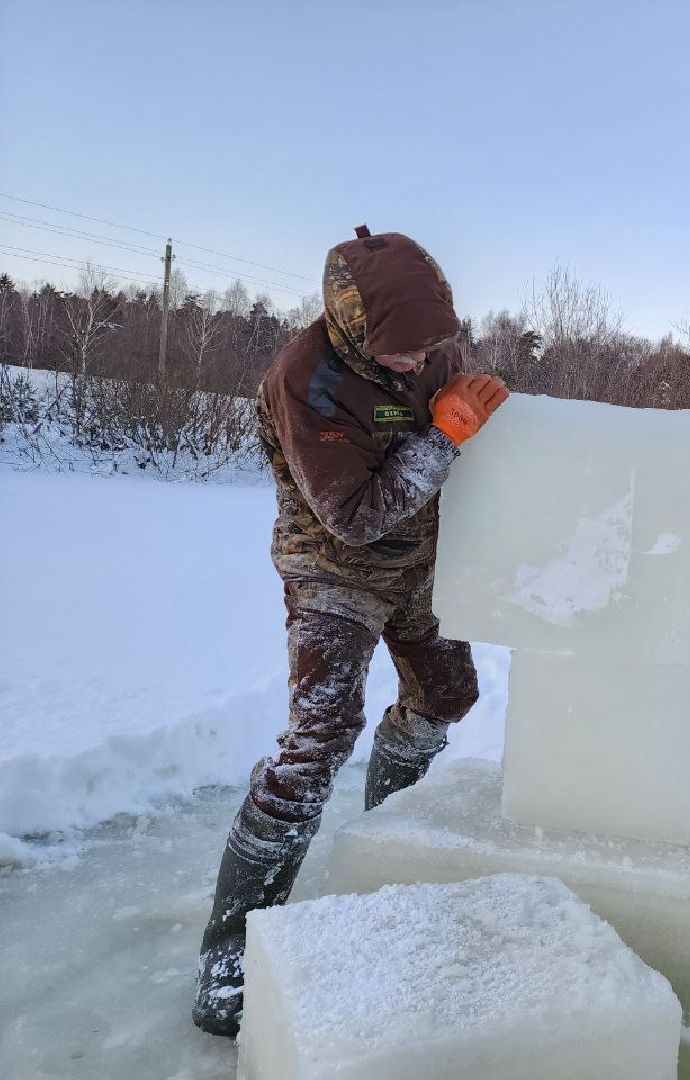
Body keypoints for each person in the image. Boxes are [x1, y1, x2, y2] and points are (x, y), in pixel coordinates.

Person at [192, 227, 509, 1037]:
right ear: (354, 327)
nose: (420, 361)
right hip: (333, 565)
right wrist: (444, 437)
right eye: (404, 349)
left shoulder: (431, 348)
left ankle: (383, 850)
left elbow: (461, 421)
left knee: (449, 694)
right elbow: (355, 518)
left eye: (429, 347)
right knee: (320, 738)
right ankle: (228, 960)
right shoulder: (305, 378)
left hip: (418, 563)